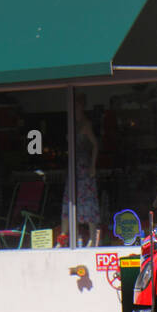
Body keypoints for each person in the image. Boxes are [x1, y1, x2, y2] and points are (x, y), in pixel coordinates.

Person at [62, 93, 101, 246]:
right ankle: (67, 237)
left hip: (84, 166)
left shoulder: (85, 124)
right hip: (73, 167)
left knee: (87, 200)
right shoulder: (72, 123)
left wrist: (93, 165)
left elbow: (95, 144)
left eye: (77, 105)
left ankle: (92, 237)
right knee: (70, 200)